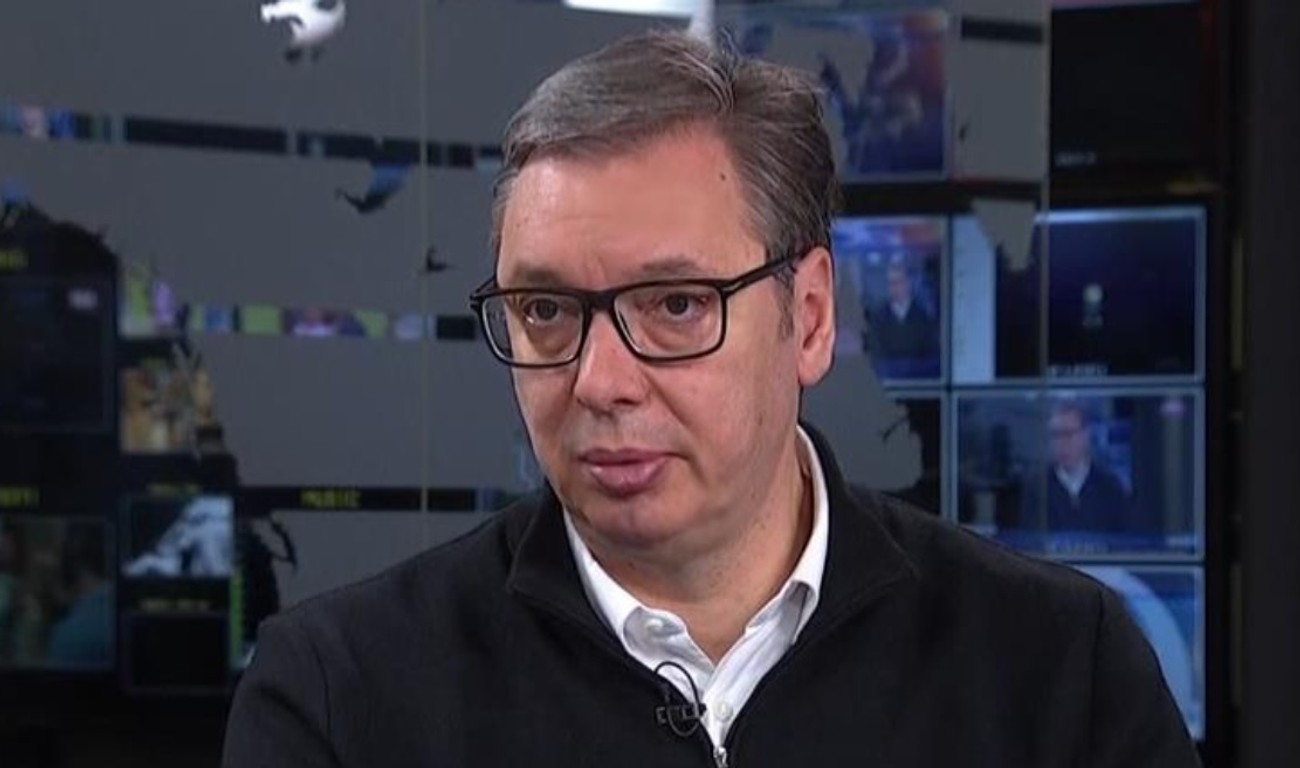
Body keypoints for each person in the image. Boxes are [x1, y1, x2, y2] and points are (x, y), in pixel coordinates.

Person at [222, 30, 1199, 767]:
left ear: (808, 318)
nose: (600, 382)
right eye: (546, 311)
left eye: (677, 304)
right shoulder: (338, 696)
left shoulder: (1064, 673)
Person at [1019, 400, 1140, 539]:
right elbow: (1029, 541)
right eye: (1055, 435)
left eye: (1068, 434)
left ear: (1085, 435)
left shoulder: (1110, 486)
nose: (1061, 443)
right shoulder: (1038, 487)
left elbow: (1125, 540)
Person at [863, 259, 939, 376]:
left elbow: (930, 352)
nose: (893, 287)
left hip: (918, 379)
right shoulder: (878, 317)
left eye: (898, 282)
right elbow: (875, 351)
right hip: (887, 379)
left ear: (909, 283)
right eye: (890, 283)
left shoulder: (922, 317)